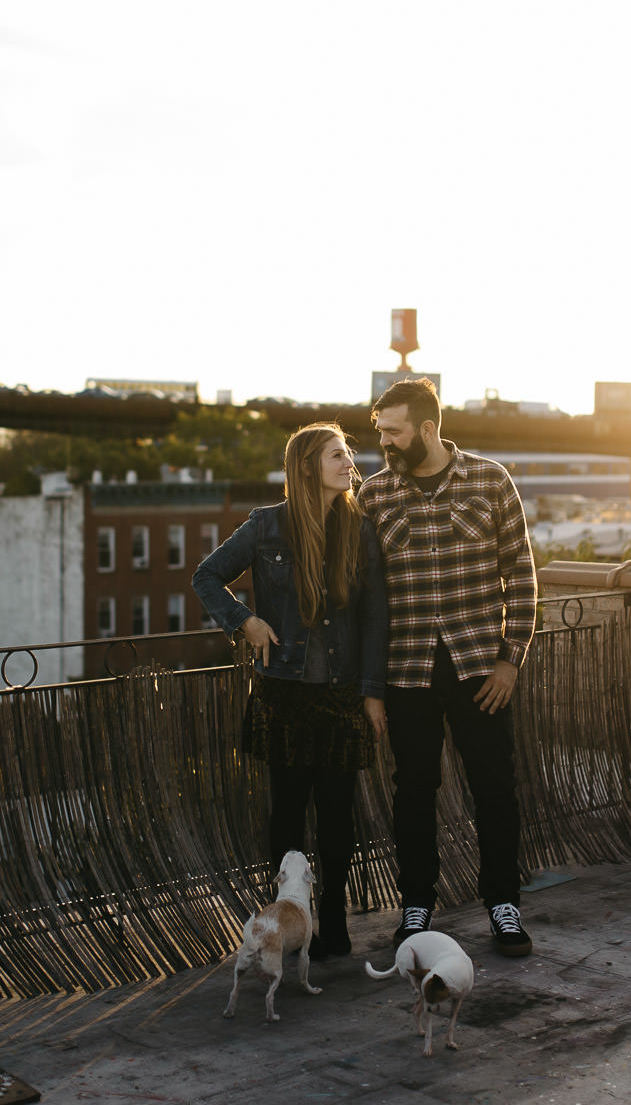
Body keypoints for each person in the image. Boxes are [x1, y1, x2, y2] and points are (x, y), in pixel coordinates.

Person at [192, 422, 388, 958]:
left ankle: (334, 918)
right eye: (336, 456)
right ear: (306, 467)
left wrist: (373, 692)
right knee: (286, 814)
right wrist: (244, 621)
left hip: (342, 695)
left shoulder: (359, 528)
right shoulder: (266, 527)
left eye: (347, 454)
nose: (349, 464)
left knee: (337, 815)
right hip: (285, 696)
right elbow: (206, 576)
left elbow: (374, 617)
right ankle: (285, 920)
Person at [359, 377, 537, 957]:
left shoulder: (490, 481)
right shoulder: (375, 496)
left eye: (393, 430)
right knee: (413, 791)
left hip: (480, 671)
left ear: (427, 429)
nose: (383, 441)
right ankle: (417, 906)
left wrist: (511, 662)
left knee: (495, 787)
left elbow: (522, 575)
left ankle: (504, 906)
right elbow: (362, 594)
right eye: (380, 430)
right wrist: (372, 688)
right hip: (406, 672)